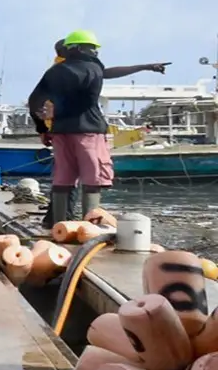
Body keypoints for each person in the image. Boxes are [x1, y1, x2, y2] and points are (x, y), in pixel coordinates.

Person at [28, 30, 170, 225]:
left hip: (61, 131)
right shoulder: (93, 69)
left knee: (63, 179)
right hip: (89, 130)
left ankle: (59, 226)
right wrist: (144, 67)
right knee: (93, 180)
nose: (96, 53)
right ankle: (90, 226)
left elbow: (34, 100)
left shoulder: (55, 72)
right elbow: (108, 74)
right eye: (94, 49)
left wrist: (42, 128)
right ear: (86, 49)